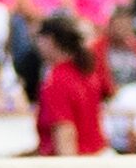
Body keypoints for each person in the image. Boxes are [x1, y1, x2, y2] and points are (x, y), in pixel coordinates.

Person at [30, 12, 108, 155]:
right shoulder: (87, 73)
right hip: (95, 154)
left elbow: (65, 132)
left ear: (50, 40)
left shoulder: (57, 81)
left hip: (74, 161)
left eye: (39, 39)